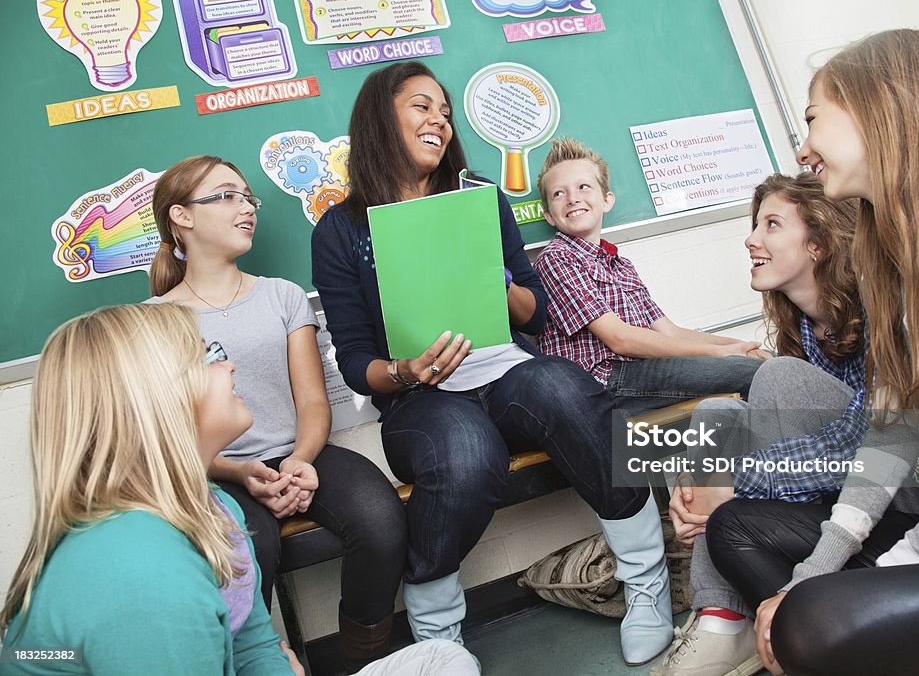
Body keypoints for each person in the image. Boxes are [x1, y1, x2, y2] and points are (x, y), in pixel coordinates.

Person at [310, 61, 673, 666]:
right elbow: (354, 362)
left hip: (507, 370)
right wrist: (406, 371)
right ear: (381, 117)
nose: (440, 121)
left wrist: (493, 283)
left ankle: (647, 583)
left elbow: (537, 316)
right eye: (422, 107)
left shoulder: (479, 195)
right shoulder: (342, 229)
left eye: (445, 112)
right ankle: (438, 638)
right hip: (419, 397)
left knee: (564, 389)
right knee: (464, 452)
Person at [705, 29, 919, 676]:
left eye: (814, 119)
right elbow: (890, 438)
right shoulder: (900, 263)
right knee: (740, 532)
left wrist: (882, 579)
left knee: (813, 621)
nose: (804, 147)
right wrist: (814, 575)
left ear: (879, 107)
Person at [148, 156, 406, 672]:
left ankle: (363, 659)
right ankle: (258, 664)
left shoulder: (281, 295)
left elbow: (312, 400)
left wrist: (302, 459)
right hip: (218, 474)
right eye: (226, 196)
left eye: (248, 197)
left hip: (299, 452)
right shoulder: (157, 320)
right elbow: (175, 434)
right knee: (245, 550)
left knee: (382, 520)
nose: (246, 207)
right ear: (182, 216)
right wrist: (238, 470)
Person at [0, 303, 301, 675]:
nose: (229, 365)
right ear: (156, 401)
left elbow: (253, 644)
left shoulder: (217, 507)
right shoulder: (141, 574)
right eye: (207, 356)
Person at [651, 173, 865, 676]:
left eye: (772, 224)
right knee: (716, 415)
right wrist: (702, 479)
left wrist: (728, 480)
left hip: (909, 488)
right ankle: (721, 619)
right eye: (755, 225)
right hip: (830, 492)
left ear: (817, 244)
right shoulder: (805, 330)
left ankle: (729, 620)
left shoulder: (876, 310)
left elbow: (870, 445)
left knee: (777, 377)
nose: (751, 239)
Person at [534, 137, 765, 413]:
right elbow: (620, 339)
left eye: (583, 187)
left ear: (607, 200)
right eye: (559, 193)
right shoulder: (556, 258)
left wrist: (739, 345)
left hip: (641, 370)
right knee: (753, 373)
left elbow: (670, 331)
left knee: (764, 362)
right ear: (548, 215)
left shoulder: (621, 265)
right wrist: (719, 353)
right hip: (606, 381)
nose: (572, 198)